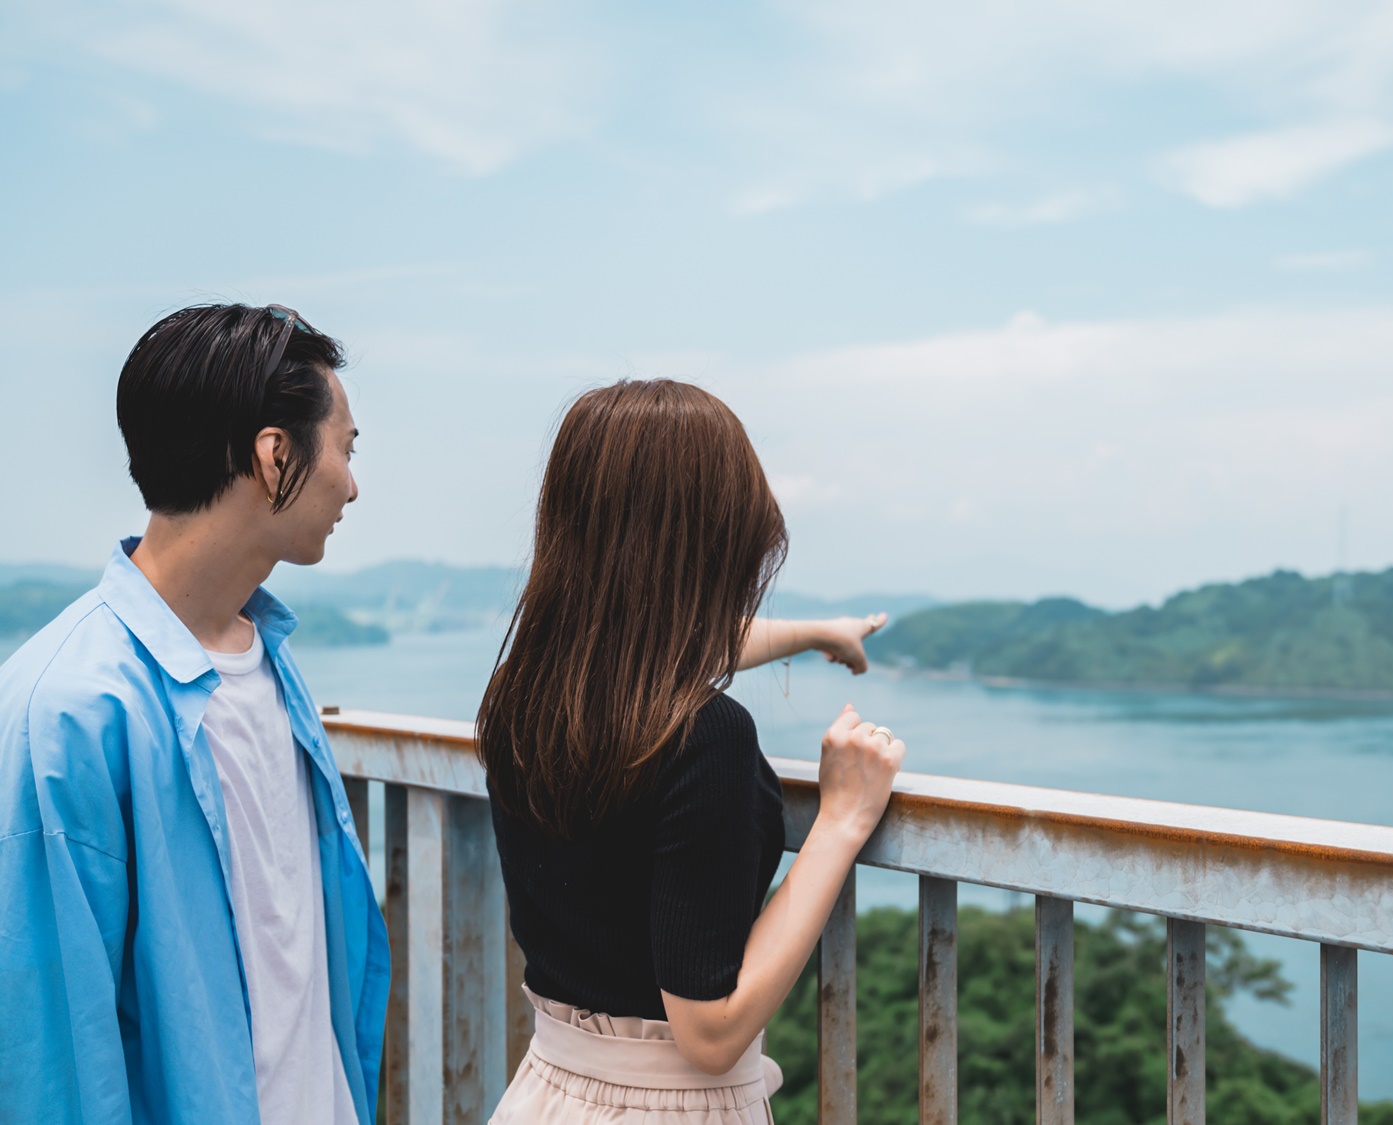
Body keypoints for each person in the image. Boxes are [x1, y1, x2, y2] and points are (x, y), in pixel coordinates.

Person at [0, 304, 388, 1124]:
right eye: (345, 449)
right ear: (274, 454)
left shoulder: (270, 658)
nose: (352, 483)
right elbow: (55, 1067)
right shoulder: (66, 711)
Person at [478, 379, 904, 1123]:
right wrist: (841, 818)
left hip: (550, 1086)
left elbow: (647, 646)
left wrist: (814, 631)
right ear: (716, 542)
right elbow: (708, 1031)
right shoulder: (705, 735)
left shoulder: (526, 692)